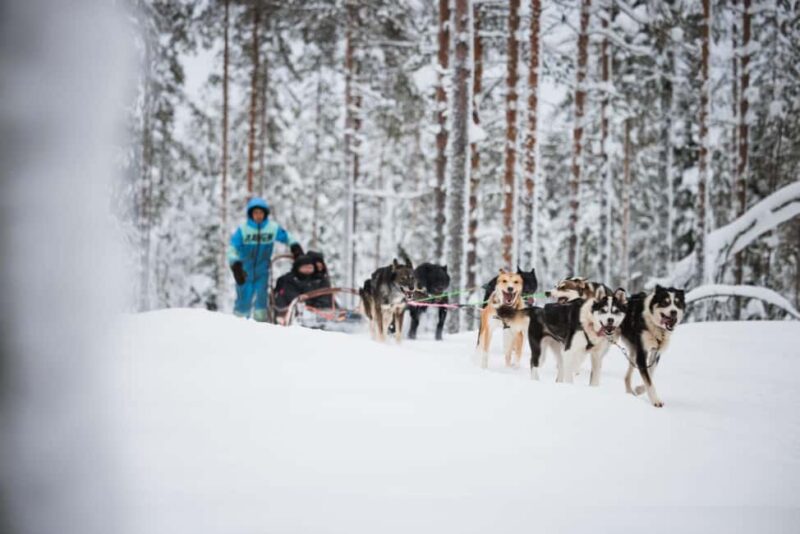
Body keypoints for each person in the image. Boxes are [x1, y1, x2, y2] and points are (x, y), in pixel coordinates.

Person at [227, 197, 302, 321]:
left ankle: (261, 327)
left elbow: (287, 237)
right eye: (255, 212)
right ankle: (238, 325)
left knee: (261, 299)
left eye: (261, 213)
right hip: (244, 270)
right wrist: (235, 264)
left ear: (265, 214)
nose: (258, 215)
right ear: (251, 214)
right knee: (244, 299)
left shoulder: (271, 228)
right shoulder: (243, 230)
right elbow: (232, 248)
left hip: (262, 270)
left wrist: (295, 246)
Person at [273, 254, 319, 322]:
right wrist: (301, 299)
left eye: (310, 267)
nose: (308, 270)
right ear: (298, 267)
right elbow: (289, 293)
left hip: (311, 308)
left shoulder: (315, 279)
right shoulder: (288, 279)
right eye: (305, 267)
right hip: (288, 307)